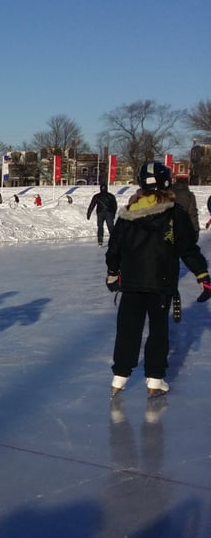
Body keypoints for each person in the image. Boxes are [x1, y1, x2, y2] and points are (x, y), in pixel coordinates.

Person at [105, 161, 211, 401]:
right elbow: (187, 248)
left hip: (131, 283)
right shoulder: (174, 214)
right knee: (158, 331)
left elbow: (114, 249)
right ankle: (154, 379)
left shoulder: (127, 214)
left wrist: (113, 272)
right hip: (161, 283)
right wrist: (202, 276)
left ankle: (119, 377)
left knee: (128, 329)